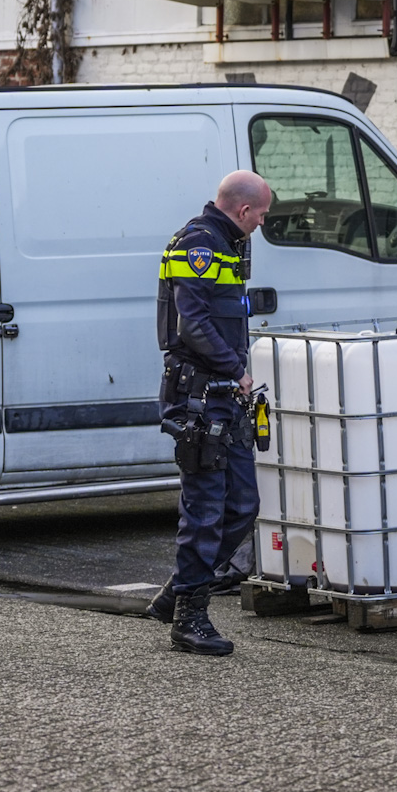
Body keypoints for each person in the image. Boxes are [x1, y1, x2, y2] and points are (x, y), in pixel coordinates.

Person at [144, 170, 274, 656]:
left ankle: (180, 590)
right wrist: (235, 370)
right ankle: (190, 617)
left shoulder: (228, 244)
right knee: (205, 510)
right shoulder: (198, 245)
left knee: (242, 505)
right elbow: (193, 324)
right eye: (260, 214)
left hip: (224, 395)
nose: (262, 223)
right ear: (243, 211)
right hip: (200, 395)